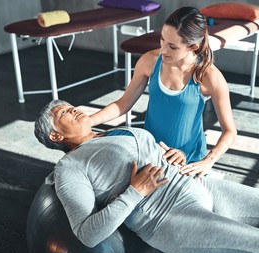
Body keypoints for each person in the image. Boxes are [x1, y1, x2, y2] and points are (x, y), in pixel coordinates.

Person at [35, 99, 259, 253]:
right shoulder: (70, 167)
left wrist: (174, 155)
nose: (74, 109)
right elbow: (88, 233)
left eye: (71, 106)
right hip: (167, 214)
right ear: (56, 136)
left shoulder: (114, 132)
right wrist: (135, 191)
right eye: (64, 113)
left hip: (198, 184)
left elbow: (155, 149)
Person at [89, 7, 237, 178]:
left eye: (172, 46)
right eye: (162, 40)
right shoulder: (149, 61)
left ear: (193, 47)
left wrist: (208, 160)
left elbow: (230, 132)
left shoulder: (209, 76)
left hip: (188, 163)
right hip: (151, 156)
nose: (163, 50)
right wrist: (89, 120)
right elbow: (123, 104)